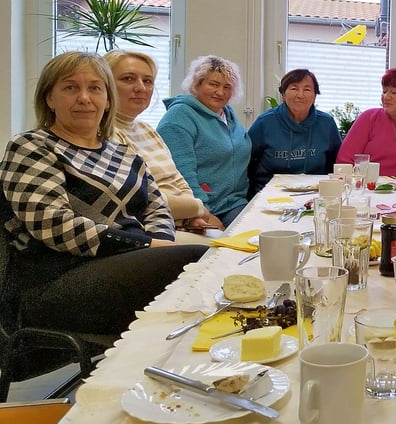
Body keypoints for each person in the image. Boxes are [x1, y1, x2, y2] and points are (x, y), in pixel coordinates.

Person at [0, 52, 206, 337]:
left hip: (122, 265)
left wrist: (160, 244)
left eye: (95, 88)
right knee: (199, 260)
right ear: (49, 98)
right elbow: (51, 223)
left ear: (107, 99)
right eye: (71, 87)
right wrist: (145, 246)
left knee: (204, 267)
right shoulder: (32, 146)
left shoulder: (124, 152)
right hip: (57, 280)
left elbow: (156, 208)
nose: (84, 98)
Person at [104, 50, 223, 236]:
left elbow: (177, 180)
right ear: (105, 84)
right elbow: (139, 200)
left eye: (148, 81)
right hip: (149, 229)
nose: (140, 88)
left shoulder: (146, 129)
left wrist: (191, 216)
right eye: (128, 79)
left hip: (183, 219)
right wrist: (198, 210)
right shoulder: (105, 135)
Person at [158, 55, 251, 226]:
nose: (220, 92)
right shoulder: (178, 118)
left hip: (234, 203)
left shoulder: (227, 114)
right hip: (203, 208)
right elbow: (182, 175)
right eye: (213, 84)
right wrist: (202, 212)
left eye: (227, 87)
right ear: (197, 83)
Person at [247, 69, 341, 195]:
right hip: (270, 193)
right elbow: (247, 161)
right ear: (283, 95)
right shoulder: (265, 122)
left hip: (315, 194)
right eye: (294, 88)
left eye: (307, 89)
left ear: (315, 95)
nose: (300, 95)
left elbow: (336, 162)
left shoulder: (326, 123)